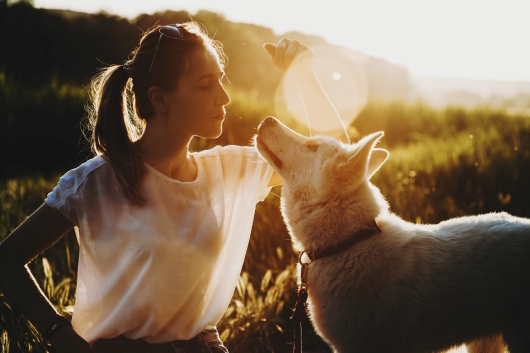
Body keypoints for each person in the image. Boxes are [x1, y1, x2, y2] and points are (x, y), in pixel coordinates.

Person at [0, 21, 348, 353]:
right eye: (205, 84)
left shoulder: (229, 170)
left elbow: (336, 163)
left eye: (221, 80)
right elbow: (8, 259)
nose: (224, 97)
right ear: (160, 98)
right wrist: (55, 330)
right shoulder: (96, 182)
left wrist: (303, 75)